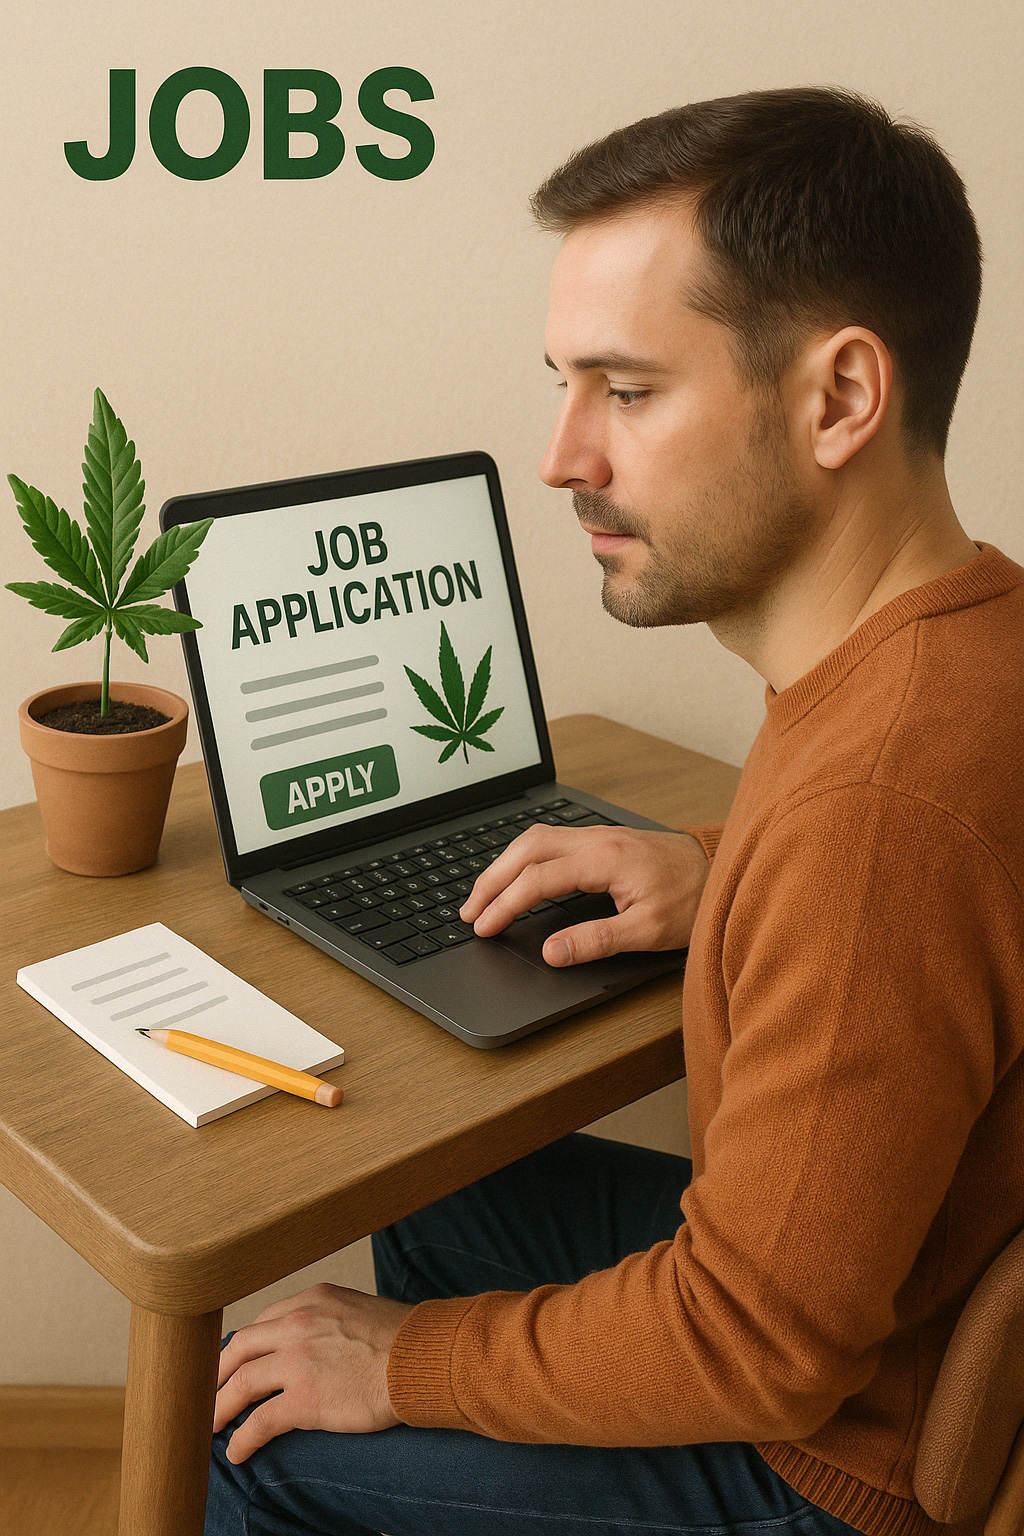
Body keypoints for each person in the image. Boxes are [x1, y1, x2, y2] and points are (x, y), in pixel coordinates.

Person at [205, 85, 1024, 1536]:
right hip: (888, 1296)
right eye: (563, 383)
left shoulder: (880, 811)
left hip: (827, 1456)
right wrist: (716, 872)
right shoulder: (962, 638)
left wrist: (414, 1367)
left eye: (627, 391)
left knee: (264, 1448)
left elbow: (755, 1345)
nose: (562, 456)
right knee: (444, 1200)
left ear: (839, 398)